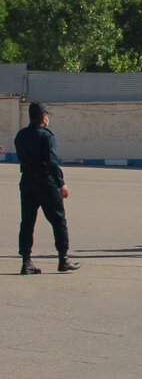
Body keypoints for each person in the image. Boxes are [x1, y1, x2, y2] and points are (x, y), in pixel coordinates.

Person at [16, 102, 78, 274]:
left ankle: (26, 262)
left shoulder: (20, 135)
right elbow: (52, 162)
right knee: (58, 220)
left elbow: (21, 157)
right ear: (43, 117)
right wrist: (61, 183)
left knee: (27, 222)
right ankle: (63, 259)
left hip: (27, 182)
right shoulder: (46, 136)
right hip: (45, 182)